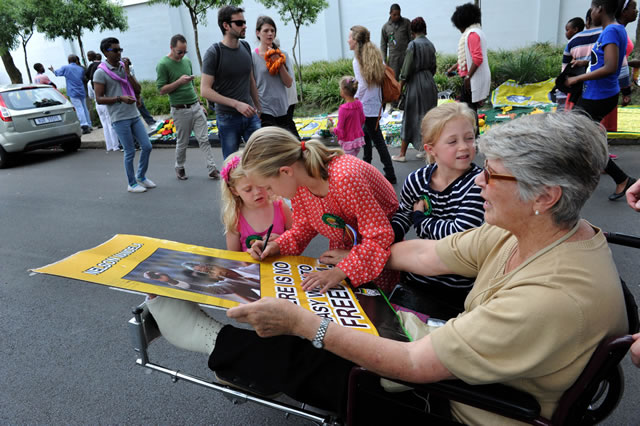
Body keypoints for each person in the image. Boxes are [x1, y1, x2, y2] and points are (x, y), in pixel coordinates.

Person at [146, 111, 628, 424]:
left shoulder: (549, 299)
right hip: (468, 358)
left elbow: (417, 365)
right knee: (328, 325)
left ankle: (210, 340)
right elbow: (423, 253)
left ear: (545, 197)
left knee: (315, 348)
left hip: (464, 405)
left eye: (493, 174)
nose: (477, 180)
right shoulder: (529, 231)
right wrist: (350, 259)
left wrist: (305, 322)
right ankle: (233, 342)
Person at [242, 126, 399, 294]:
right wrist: (276, 246)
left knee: (376, 310)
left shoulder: (344, 178)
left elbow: (380, 236)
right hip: (349, 256)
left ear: (285, 171)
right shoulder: (299, 183)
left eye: (269, 187)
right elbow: (304, 227)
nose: (271, 195)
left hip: (378, 258)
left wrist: (340, 272)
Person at [390, 103, 484, 318]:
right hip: (417, 278)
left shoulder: (478, 184)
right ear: (430, 149)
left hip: (459, 288)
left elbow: (458, 235)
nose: (464, 146)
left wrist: (421, 219)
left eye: (469, 138)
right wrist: (389, 234)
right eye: (452, 141)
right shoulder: (417, 180)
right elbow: (404, 213)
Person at [566, 0, 636, 201]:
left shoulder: (610, 31)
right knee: (582, 137)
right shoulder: (615, 29)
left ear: (600, 9)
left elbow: (611, 67)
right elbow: (603, 61)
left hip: (598, 96)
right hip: (599, 94)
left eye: (592, 8)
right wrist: (585, 63)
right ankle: (614, 178)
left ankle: (621, 179)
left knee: (579, 137)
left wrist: (578, 77)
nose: (591, 12)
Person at [94, 37, 155, 193]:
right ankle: (131, 183)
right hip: (119, 117)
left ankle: (141, 176)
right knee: (129, 151)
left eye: (120, 49)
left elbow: (138, 89)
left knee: (147, 146)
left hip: (133, 113)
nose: (119, 53)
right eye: (115, 50)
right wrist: (119, 98)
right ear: (105, 52)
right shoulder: (100, 73)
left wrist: (127, 73)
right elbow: (99, 98)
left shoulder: (123, 67)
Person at [157, 34, 220, 181]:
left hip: (195, 106)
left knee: (204, 139)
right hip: (180, 109)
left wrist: (199, 103)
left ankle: (212, 168)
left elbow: (191, 85)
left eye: (185, 52)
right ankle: (179, 166)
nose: (182, 55)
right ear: (171, 48)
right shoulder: (163, 64)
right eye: (179, 52)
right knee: (183, 141)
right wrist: (179, 82)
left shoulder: (186, 61)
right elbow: (161, 90)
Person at [201, 5, 262, 159]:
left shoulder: (246, 47)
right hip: (227, 118)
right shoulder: (214, 53)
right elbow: (205, 90)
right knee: (231, 164)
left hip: (250, 114)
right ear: (226, 26)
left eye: (245, 22)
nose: (245, 26)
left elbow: (250, 79)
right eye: (240, 23)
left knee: (260, 158)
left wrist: (258, 108)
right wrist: (236, 104)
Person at [349, 25, 397, 184]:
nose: (348, 40)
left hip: (366, 106)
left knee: (376, 139)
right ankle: (367, 166)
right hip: (376, 103)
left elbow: (362, 85)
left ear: (355, 41)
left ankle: (389, 173)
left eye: (350, 37)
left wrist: (353, 100)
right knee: (366, 135)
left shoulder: (357, 59)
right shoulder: (375, 54)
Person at [220, 151, 292, 252]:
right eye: (248, 189)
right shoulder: (235, 217)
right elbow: (233, 257)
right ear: (234, 191)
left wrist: (281, 241)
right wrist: (248, 255)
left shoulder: (280, 205)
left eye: (260, 184)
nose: (257, 192)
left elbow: (297, 237)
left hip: (282, 266)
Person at [391, 17, 438, 162]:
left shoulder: (413, 45)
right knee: (428, 117)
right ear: (425, 29)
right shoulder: (430, 45)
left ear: (412, 31)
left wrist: (400, 85)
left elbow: (406, 68)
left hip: (416, 83)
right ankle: (427, 151)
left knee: (410, 116)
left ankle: (402, 154)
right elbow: (433, 67)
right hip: (429, 82)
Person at [252, 16, 298, 137]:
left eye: (272, 30)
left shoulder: (283, 55)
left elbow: (288, 83)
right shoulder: (252, 57)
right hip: (264, 109)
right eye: (266, 31)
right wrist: (256, 109)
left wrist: (278, 63)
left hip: (283, 108)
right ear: (258, 33)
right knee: (272, 148)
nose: (270, 34)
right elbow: (251, 85)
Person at [446, 3, 491, 115]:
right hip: (471, 78)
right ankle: (474, 132)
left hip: (471, 80)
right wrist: (453, 67)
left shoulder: (472, 35)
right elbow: (467, 56)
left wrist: (467, 77)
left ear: (463, 22)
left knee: (467, 111)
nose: (458, 29)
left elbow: (477, 59)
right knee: (470, 110)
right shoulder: (477, 32)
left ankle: (472, 132)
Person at [49, 55, 92, 134]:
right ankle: (89, 124)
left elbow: (57, 73)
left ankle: (84, 125)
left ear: (69, 60)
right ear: (76, 60)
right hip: (81, 90)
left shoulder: (65, 67)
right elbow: (83, 78)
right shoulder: (80, 68)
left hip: (73, 91)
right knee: (84, 108)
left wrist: (52, 70)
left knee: (79, 108)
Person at [327, 76, 366, 156]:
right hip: (357, 140)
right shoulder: (359, 104)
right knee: (353, 160)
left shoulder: (343, 109)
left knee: (347, 163)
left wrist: (332, 129)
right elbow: (363, 119)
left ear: (343, 91)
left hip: (348, 142)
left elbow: (340, 130)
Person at [380, 3, 411, 82]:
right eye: (394, 15)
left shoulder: (406, 23)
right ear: (390, 14)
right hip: (393, 58)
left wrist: (412, 55)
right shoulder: (385, 27)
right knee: (394, 80)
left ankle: (409, 94)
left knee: (408, 78)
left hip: (406, 56)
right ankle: (397, 94)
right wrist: (384, 60)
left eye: (398, 14)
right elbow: (383, 46)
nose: (397, 16)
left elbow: (412, 40)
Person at [87, 80, 120, 152]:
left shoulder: (89, 82)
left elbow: (91, 96)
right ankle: (115, 145)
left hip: (98, 104)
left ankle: (109, 145)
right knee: (110, 124)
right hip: (105, 103)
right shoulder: (101, 80)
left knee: (105, 125)